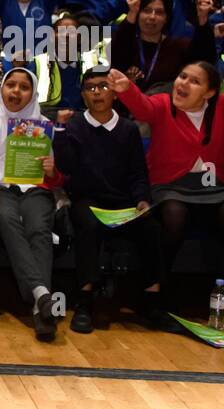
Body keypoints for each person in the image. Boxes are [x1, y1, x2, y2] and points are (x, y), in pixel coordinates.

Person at [112, 62, 224, 327]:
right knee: (173, 213)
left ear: (210, 92)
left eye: (194, 81)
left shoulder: (223, 107)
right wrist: (126, 89)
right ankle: (155, 293)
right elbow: (141, 107)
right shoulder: (161, 104)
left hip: (212, 186)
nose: (182, 84)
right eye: (182, 76)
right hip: (170, 186)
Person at [52, 67, 165, 333]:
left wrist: (142, 200)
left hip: (122, 202)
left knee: (151, 227)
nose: (97, 93)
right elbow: (66, 166)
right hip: (86, 199)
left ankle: (152, 301)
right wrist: (59, 131)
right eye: (90, 88)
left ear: (114, 93)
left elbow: (138, 172)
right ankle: (84, 301)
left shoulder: (127, 129)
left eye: (103, 86)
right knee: (88, 226)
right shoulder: (76, 124)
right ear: (83, 95)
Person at [0, 68, 62, 340]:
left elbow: (57, 178)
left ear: (33, 93)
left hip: (36, 189)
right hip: (1, 188)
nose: (15, 91)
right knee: (8, 220)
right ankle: (41, 298)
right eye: (10, 85)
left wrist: (52, 171)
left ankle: (39, 301)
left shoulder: (43, 124)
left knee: (38, 228)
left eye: (23, 87)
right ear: (0, 88)